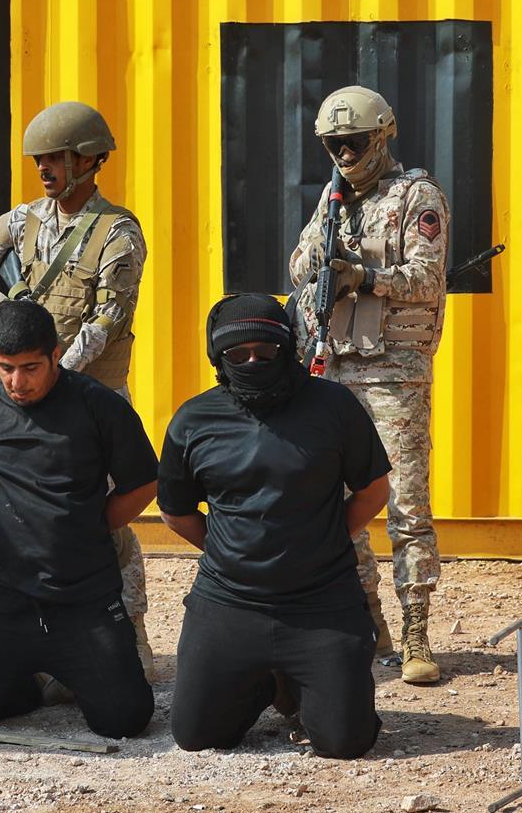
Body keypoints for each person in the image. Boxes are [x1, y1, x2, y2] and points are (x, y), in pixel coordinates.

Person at [0, 101, 155, 679]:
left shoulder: (118, 233)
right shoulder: (22, 222)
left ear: (88, 160)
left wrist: (58, 371)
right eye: (39, 159)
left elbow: (109, 318)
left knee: (106, 522)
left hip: (91, 396)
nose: (43, 169)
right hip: (31, 390)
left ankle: (131, 637)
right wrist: (2, 312)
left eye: (55, 158)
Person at [160, 294, 391, 759]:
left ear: (287, 349)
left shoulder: (332, 405)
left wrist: (323, 541)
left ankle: (302, 682)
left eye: (266, 352)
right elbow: (175, 511)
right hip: (230, 599)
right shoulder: (194, 419)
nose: (253, 363)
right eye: (238, 355)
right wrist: (228, 551)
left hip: (321, 600)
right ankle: (266, 683)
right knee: (196, 735)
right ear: (218, 358)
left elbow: (373, 490)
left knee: (345, 742)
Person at [0, 300, 157, 739]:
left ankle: (67, 669)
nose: (17, 382)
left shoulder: (98, 406)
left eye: (30, 367)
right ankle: (25, 682)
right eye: (6, 367)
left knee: (125, 719)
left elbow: (144, 484)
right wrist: (8, 525)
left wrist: (88, 526)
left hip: (81, 595)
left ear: (56, 355)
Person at [287, 85, 450, 685]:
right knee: (340, 504)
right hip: (335, 368)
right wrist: (323, 259)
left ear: (382, 136)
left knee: (406, 503)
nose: (345, 153)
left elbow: (427, 279)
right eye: (334, 144)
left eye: (355, 141)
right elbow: (298, 267)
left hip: (394, 373)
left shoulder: (416, 197)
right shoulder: (332, 199)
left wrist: (364, 276)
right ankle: (368, 618)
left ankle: (415, 631)